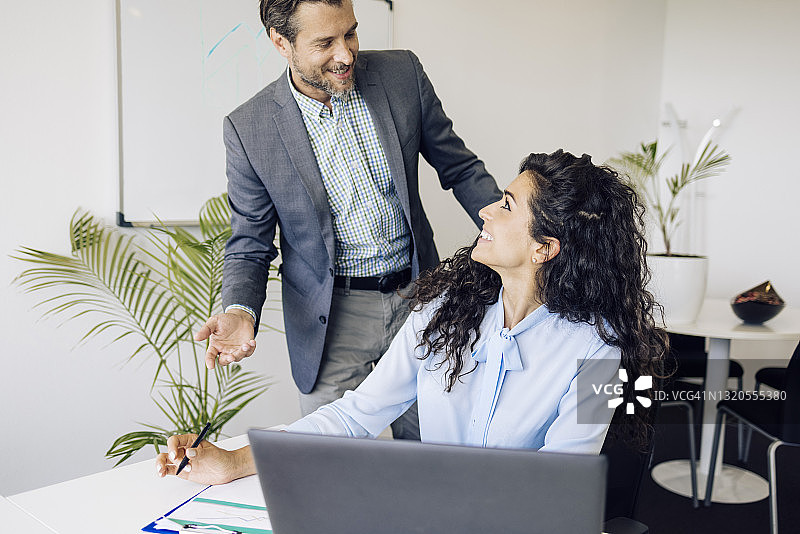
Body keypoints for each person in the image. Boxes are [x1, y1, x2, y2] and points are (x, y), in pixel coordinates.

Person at [157, 149, 667, 485]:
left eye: (507, 207)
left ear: (545, 248)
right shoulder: (447, 309)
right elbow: (357, 414)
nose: (487, 211)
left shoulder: (598, 351)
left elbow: (561, 487)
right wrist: (232, 464)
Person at [193, 0, 501, 441]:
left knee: (435, 452)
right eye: (325, 42)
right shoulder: (250, 128)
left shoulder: (402, 75)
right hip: (331, 319)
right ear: (282, 43)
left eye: (351, 33)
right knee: (330, 464)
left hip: (420, 297)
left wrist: (517, 235)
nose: (346, 54)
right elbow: (250, 242)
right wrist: (241, 310)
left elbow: (460, 168)